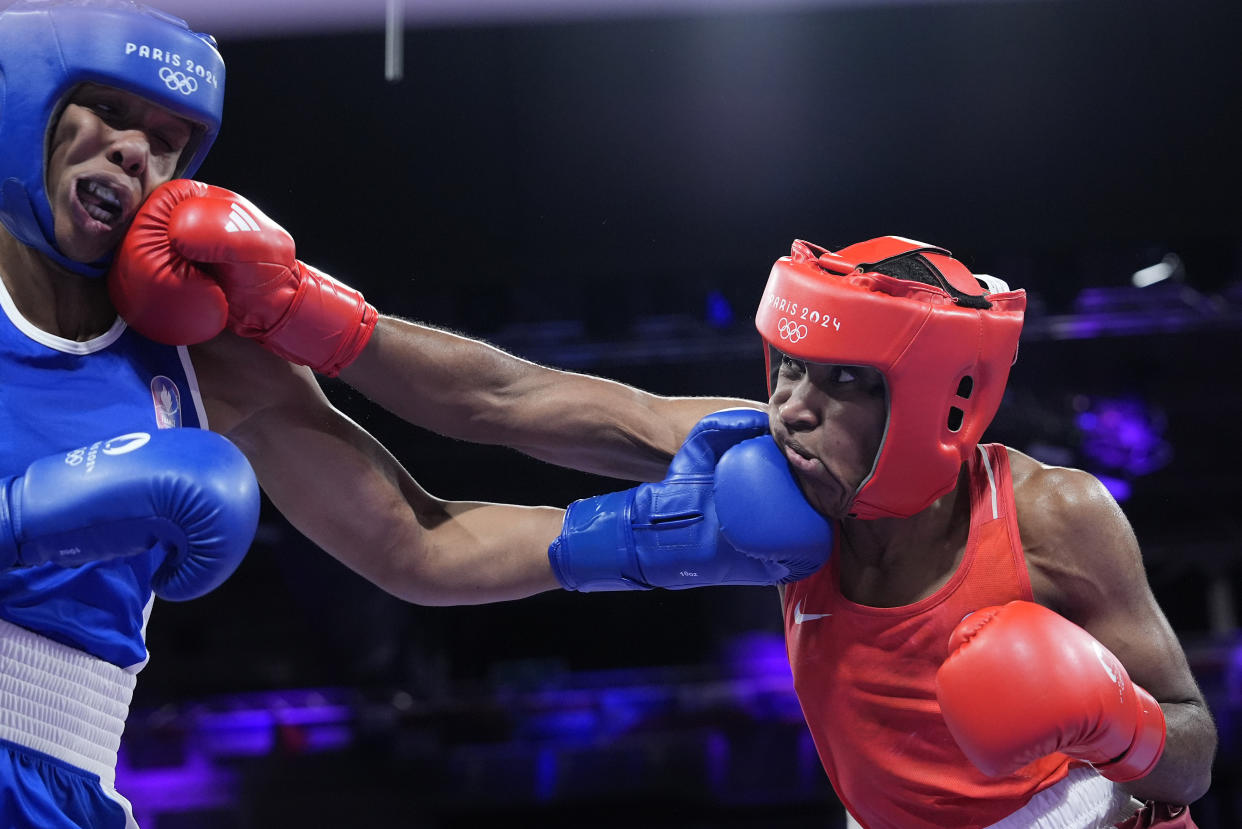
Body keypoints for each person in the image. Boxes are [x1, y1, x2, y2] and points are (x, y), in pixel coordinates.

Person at [111, 186, 1217, 826]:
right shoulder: (771, 483)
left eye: (840, 383)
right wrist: (284, 318)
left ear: (942, 401)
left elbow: (1192, 749)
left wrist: (1106, 721)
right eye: (784, 366)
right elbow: (498, 414)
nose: (789, 405)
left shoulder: (1055, 515)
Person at [0, 2, 831, 825]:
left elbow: (416, 538)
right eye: (108, 110)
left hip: (62, 785)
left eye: (169, 137)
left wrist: (650, 529)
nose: (136, 148)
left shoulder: (202, 354)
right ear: (30, 101)